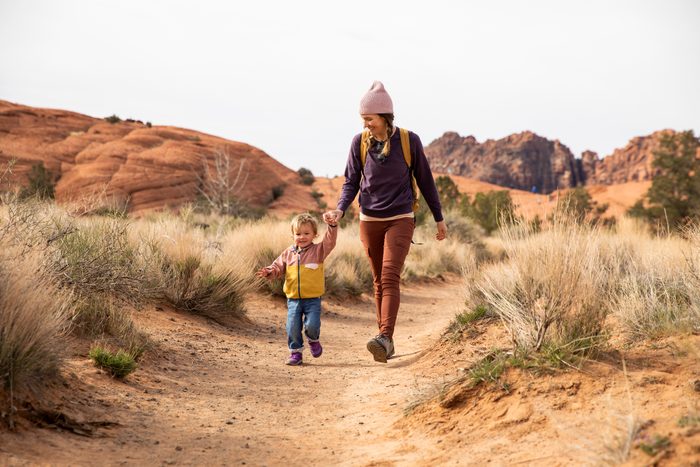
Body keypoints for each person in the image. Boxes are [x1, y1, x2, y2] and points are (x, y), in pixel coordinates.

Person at [323, 81, 447, 363]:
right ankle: (384, 338)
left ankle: (385, 336)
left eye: (369, 119)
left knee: (390, 275)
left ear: (385, 117)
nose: (366, 124)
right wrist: (340, 210)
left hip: (400, 218)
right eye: (363, 119)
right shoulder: (360, 142)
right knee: (378, 280)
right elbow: (351, 182)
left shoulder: (408, 141)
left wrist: (439, 218)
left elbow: (426, 181)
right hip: (369, 219)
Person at [256, 213, 338, 366]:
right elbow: (277, 266)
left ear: (315, 234)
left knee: (312, 325)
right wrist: (269, 271)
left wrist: (332, 226)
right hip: (293, 298)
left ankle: (313, 340)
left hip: (312, 299)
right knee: (292, 326)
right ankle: (296, 353)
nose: (302, 237)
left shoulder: (319, 251)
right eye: (298, 233)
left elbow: (330, 242)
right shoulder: (288, 253)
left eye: (306, 233)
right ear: (292, 235)